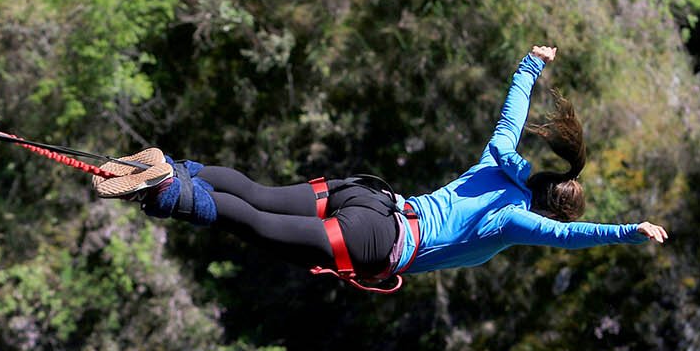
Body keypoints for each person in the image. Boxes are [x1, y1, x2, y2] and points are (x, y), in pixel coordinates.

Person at [97, 45, 668, 291]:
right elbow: (567, 237)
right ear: (547, 205)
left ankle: (172, 167)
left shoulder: (500, 162)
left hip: (373, 198)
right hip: (379, 239)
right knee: (252, 225)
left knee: (261, 195)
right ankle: (168, 189)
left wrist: (528, 66)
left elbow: (511, 116)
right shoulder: (515, 221)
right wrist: (628, 233)